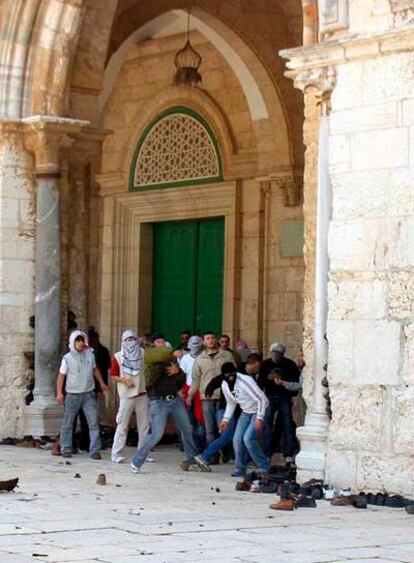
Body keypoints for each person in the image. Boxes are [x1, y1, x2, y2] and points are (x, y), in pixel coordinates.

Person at [130, 334, 210, 473]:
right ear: (153, 344)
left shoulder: (171, 358)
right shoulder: (150, 355)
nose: (161, 343)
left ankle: (191, 455)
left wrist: (177, 371)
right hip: (158, 401)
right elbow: (160, 357)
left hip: (174, 399)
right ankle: (137, 460)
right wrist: (173, 352)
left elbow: (182, 378)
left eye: (162, 341)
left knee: (187, 428)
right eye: (158, 341)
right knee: (156, 434)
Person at [56, 330, 109, 459]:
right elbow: (61, 376)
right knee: (68, 423)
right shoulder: (67, 358)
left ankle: (95, 450)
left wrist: (101, 383)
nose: (80, 343)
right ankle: (66, 448)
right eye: (77, 340)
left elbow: (95, 369)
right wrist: (59, 393)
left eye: (82, 340)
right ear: (73, 342)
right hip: (72, 394)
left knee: (93, 422)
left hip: (88, 394)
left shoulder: (90, 355)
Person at [219, 362, 269, 478]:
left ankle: (264, 465)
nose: (230, 377)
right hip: (245, 412)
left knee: (248, 438)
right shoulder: (224, 385)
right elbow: (231, 402)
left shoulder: (245, 381)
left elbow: (262, 399)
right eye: (227, 375)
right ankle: (240, 468)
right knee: (237, 439)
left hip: (259, 409)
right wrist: (225, 420)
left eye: (232, 374)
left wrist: (260, 417)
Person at [187, 332, 234, 448]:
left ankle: (225, 451)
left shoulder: (227, 355)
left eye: (213, 338)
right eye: (208, 338)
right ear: (204, 342)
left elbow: (234, 374)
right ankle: (213, 454)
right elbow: (196, 379)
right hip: (206, 398)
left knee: (222, 426)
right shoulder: (199, 359)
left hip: (224, 397)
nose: (211, 340)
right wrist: (191, 395)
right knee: (209, 428)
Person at [110, 330, 150, 464]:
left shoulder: (143, 353)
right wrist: (123, 380)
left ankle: (143, 453)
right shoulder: (118, 356)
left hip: (142, 393)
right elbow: (113, 374)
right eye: (127, 339)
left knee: (144, 426)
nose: (131, 342)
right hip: (127, 395)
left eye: (133, 338)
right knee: (122, 425)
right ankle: (116, 453)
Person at [258, 342, 301, 465]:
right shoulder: (265, 364)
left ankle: (288, 453)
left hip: (284, 397)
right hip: (269, 397)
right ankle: (267, 453)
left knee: (287, 425)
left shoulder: (289, 364)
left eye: (278, 353)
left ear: (282, 354)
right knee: (267, 426)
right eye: (274, 353)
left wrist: (291, 394)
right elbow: (260, 382)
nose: (276, 355)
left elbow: (296, 382)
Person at [179, 335, 205, 449]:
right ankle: (188, 444)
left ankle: (199, 443)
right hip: (188, 390)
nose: (195, 345)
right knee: (188, 419)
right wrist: (180, 390)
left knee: (201, 419)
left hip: (202, 391)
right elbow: (181, 375)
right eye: (192, 343)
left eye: (197, 342)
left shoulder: (204, 357)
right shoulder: (185, 358)